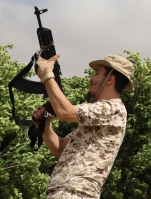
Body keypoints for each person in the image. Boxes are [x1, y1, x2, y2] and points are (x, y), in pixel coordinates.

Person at [32, 53, 134, 198]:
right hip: (66, 191)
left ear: (110, 79)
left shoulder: (113, 109)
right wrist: (45, 125)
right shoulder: (99, 118)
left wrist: (46, 74)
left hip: (74, 192)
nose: (91, 78)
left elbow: (65, 112)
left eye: (97, 73)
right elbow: (59, 148)